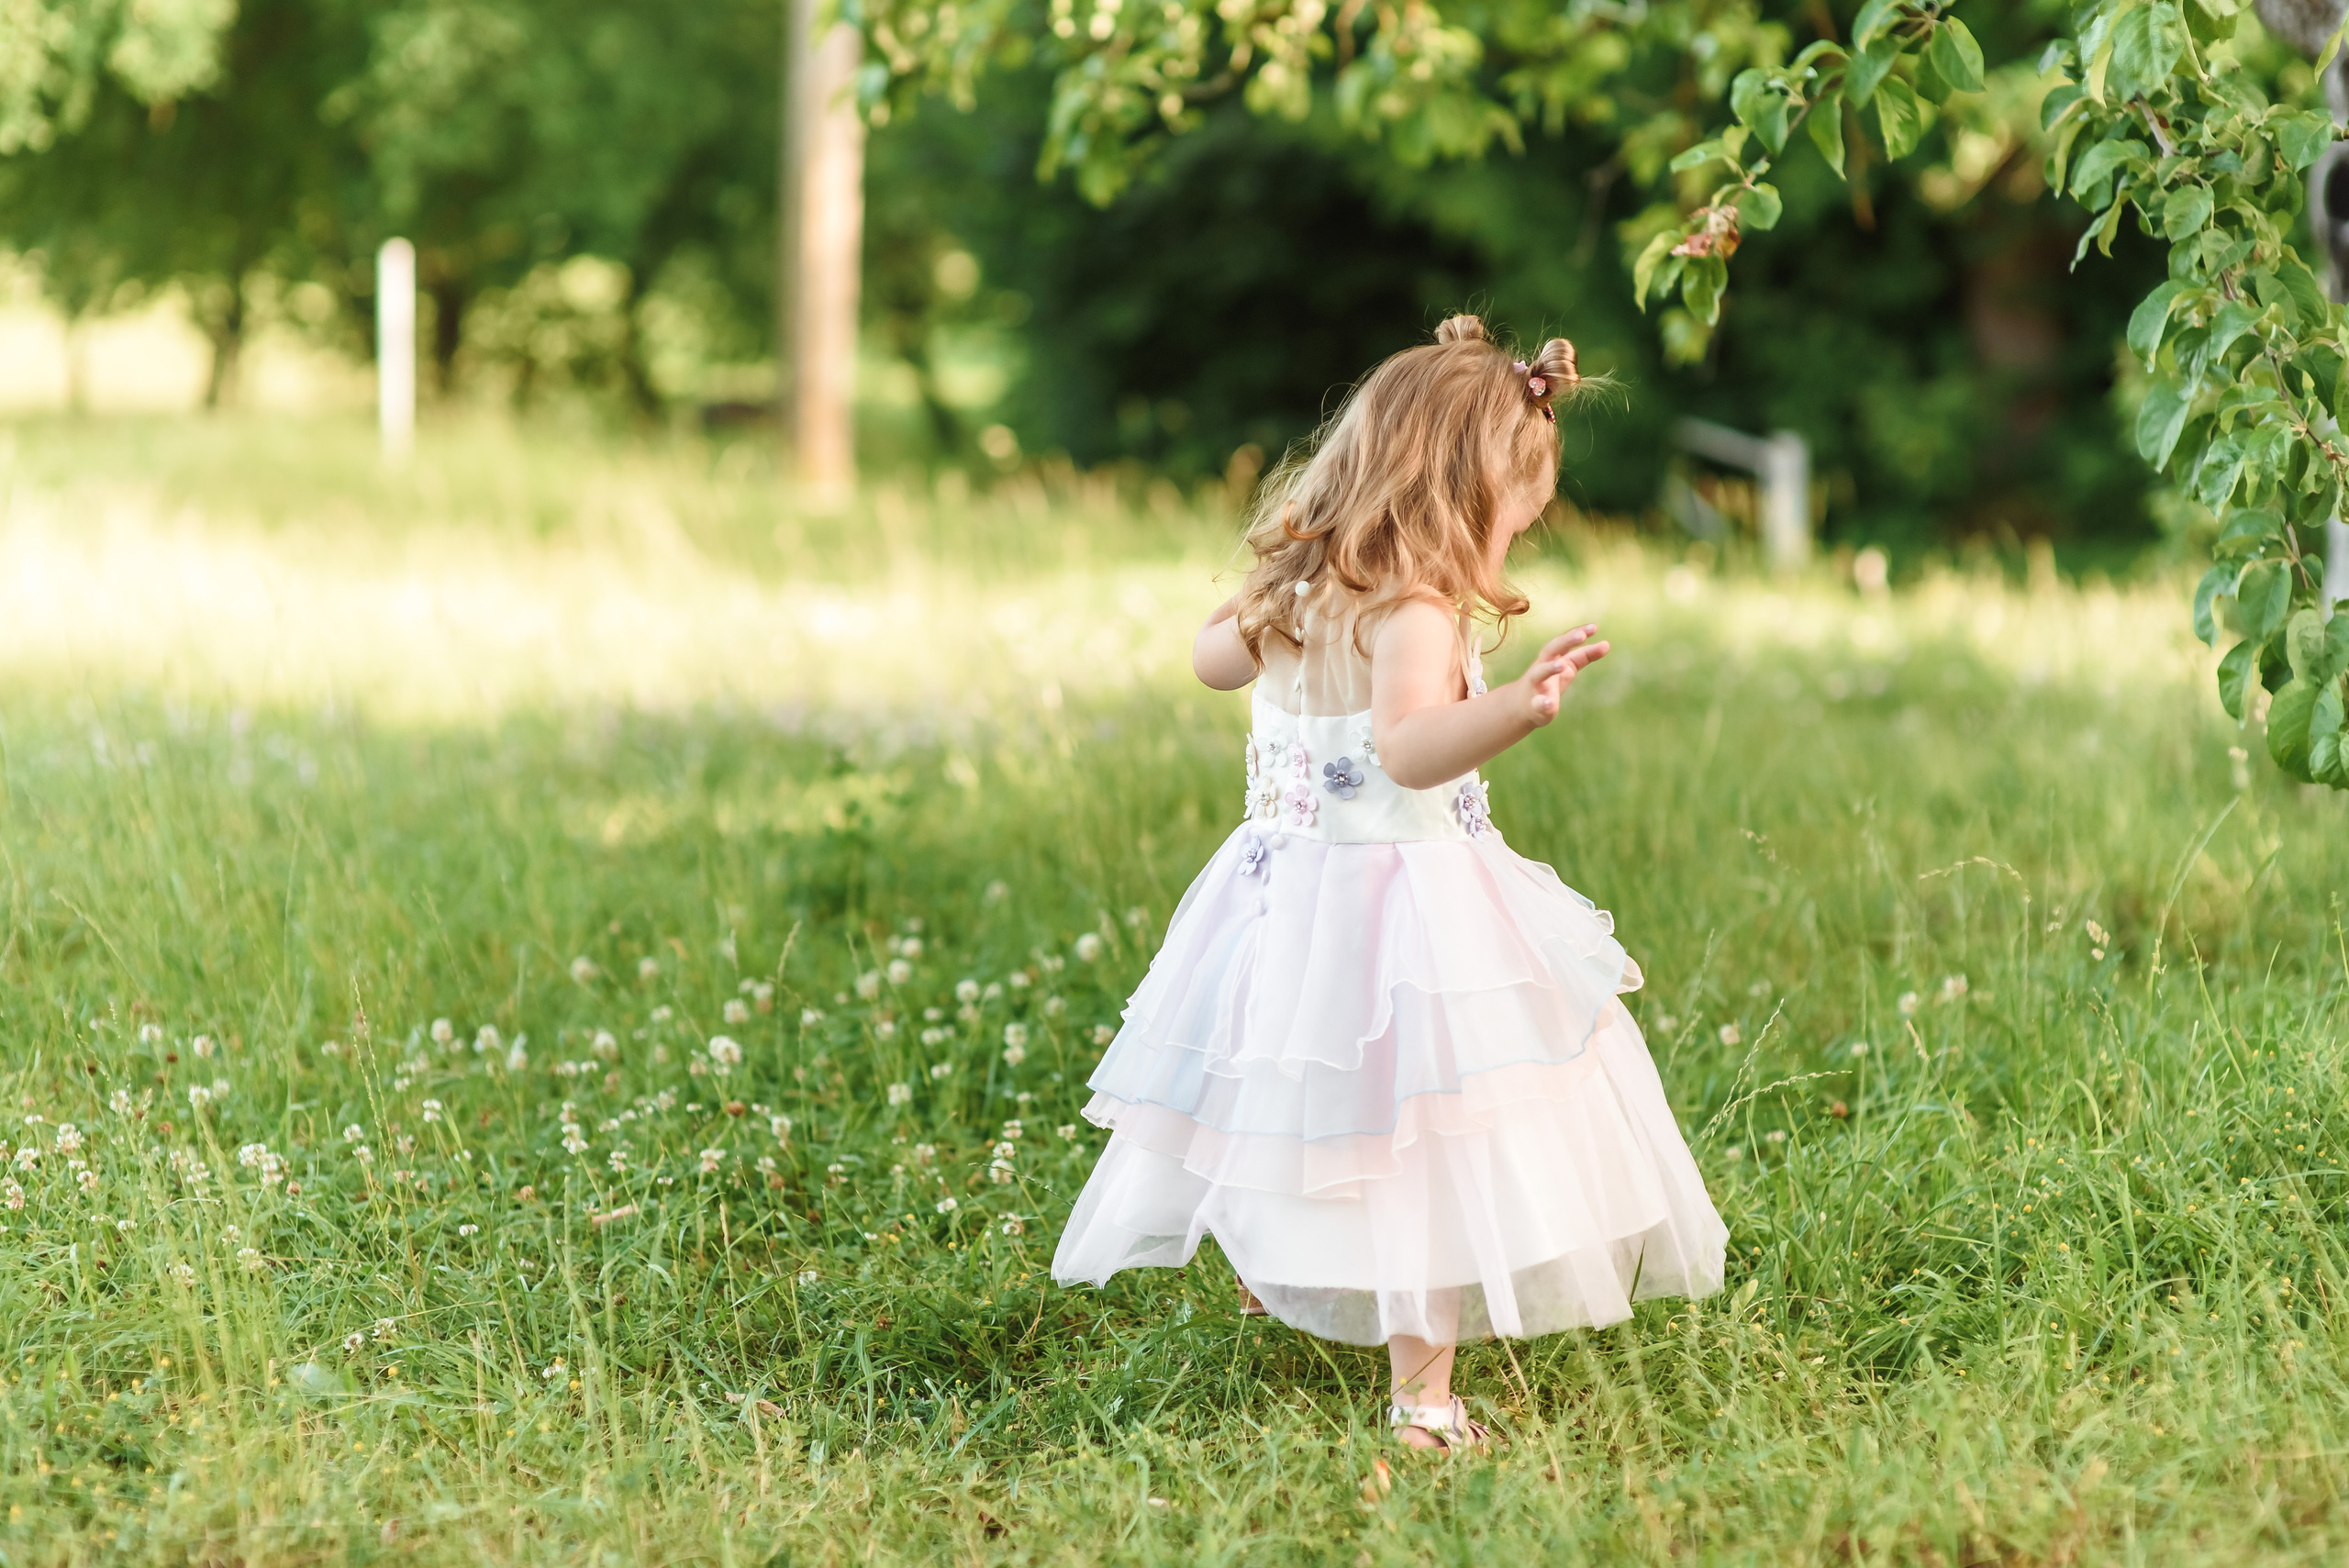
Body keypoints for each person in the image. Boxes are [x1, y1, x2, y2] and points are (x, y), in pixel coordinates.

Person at [1051, 315, 1728, 1452]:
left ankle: (1276, 1265)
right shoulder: (1413, 607)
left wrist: (1267, 581)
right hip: (1403, 905)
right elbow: (1411, 750)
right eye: (1516, 511)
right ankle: (1422, 1400)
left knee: (1277, 1105)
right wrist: (1516, 706)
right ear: (1463, 496)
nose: (1517, 533)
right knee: (1427, 1142)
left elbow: (1210, 662)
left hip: (1282, 899)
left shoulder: (1300, 589)